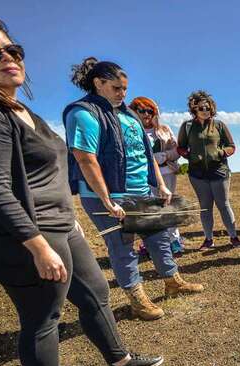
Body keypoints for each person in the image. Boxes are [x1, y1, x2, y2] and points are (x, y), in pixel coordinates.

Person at [0, 10, 163, 366]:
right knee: (43, 315)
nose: (8, 57)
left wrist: (70, 221)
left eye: (13, 50)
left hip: (60, 224)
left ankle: (119, 360)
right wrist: (37, 246)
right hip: (31, 233)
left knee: (95, 291)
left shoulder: (21, 111)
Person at [63, 57, 204, 321]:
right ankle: (137, 299)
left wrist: (160, 184)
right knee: (122, 246)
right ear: (98, 83)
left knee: (159, 237)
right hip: (109, 196)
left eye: (125, 89)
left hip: (141, 191)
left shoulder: (129, 115)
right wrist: (106, 199)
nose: (122, 94)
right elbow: (85, 159)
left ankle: (172, 282)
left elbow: (146, 153)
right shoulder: (83, 113)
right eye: (116, 88)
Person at [176, 90, 240, 250]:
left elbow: (231, 146)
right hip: (197, 174)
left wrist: (221, 153)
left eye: (208, 107)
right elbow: (180, 147)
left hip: (219, 171)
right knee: (205, 207)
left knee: (223, 205)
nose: (205, 110)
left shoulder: (219, 125)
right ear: (194, 109)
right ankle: (208, 239)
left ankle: (233, 236)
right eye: (201, 108)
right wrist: (189, 155)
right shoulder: (187, 126)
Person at [128, 96, 183, 255]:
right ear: (134, 111)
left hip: (167, 173)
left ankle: (174, 240)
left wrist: (164, 156)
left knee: (168, 206)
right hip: (143, 176)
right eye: (142, 110)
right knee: (149, 209)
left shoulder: (164, 130)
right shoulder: (130, 131)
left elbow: (176, 151)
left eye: (150, 111)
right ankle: (152, 244)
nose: (146, 114)